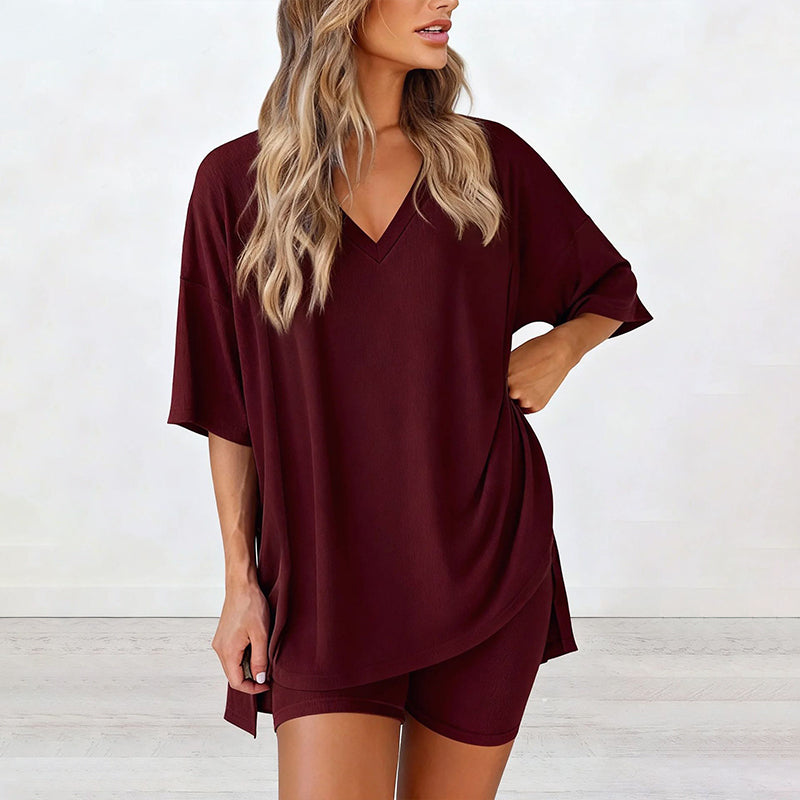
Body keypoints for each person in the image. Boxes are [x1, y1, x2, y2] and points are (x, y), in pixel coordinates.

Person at [166, 1, 653, 797]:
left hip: (485, 563)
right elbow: (229, 406)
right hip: (324, 588)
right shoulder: (235, 184)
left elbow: (609, 285)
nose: (447, 0)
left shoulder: (486, 163)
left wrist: (560, 349)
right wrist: (239, 584)